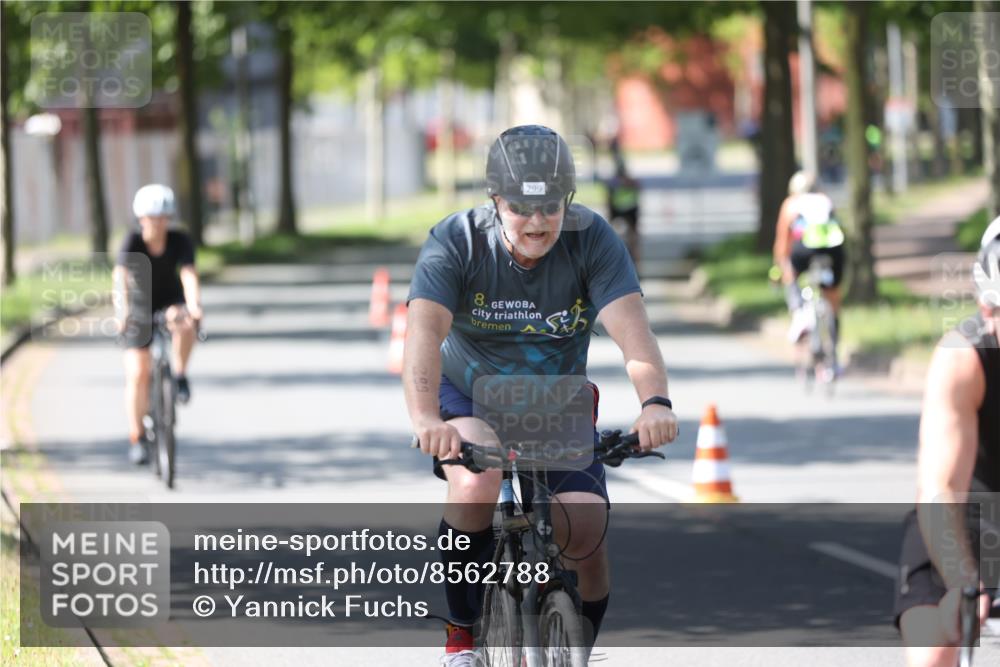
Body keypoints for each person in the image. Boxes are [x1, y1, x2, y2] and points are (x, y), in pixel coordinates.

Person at [403, 125, 678, 666]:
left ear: (567, 201)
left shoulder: (592, 239)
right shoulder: (455, 242)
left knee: (586, 527)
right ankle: (461, 639)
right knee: (476, 482)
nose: (537, 222)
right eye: (522, 208)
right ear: (496, 199)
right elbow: (422, 336)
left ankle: (574, 648)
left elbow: (634, 336)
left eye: (550, 206)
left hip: (554, 401)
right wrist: (425, 417)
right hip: (468, 394)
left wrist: (655, 404)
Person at [894, 220, 1000, 667]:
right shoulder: (963, 360)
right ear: (987, 307)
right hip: (964, 517)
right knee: (933, 650)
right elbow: (940, 489)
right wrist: (963, 582)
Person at [113, 184, 202, 465]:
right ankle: (137, 436)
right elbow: (120, 277)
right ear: (141, 219)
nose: (158, 223)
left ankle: (180, 373)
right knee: (138, 373)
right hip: (139, 307)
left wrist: (195, 305)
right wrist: (122, 311)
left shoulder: (180, 240)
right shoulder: (132, 242)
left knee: (185, 323)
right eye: (152, 217)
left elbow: (188, 273)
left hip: (170, 300)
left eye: (164, 217)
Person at [772, 170, 846, 375]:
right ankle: (834, 346)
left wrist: (780, 268)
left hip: (804, 249)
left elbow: (782, 243)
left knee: (789, 268)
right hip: (833, 249)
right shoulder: (825, 199)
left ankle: (798, 313)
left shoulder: (791, 203)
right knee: (833, 295)